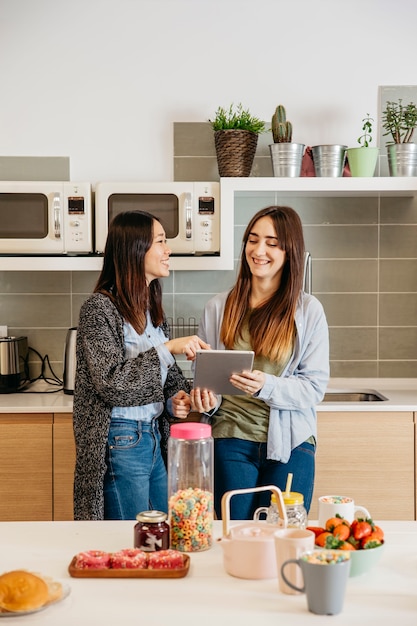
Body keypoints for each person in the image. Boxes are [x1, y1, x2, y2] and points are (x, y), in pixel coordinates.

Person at [190, 205, 329, 520]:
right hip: (230, 436)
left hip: (291, 443)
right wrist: (205, 399)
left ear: (289, 251)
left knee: (282, 534)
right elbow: (208, 383)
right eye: (253, 240)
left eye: (271, 242)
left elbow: (314, 387)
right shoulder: (218, 307)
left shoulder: (308, 311)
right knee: (235, 532)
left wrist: (267, 385)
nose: (259, 250)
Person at [73, 210, 211, 521]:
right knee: (129, 541)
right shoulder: (99, 308)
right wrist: (168, 348)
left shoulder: (151, 311)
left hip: (152, 439)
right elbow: (112, 384)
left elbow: (167, 377)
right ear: (136, 249)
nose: (168, 249)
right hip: (120, 440)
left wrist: (178, 397)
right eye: (160, 241)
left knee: (161, 533)